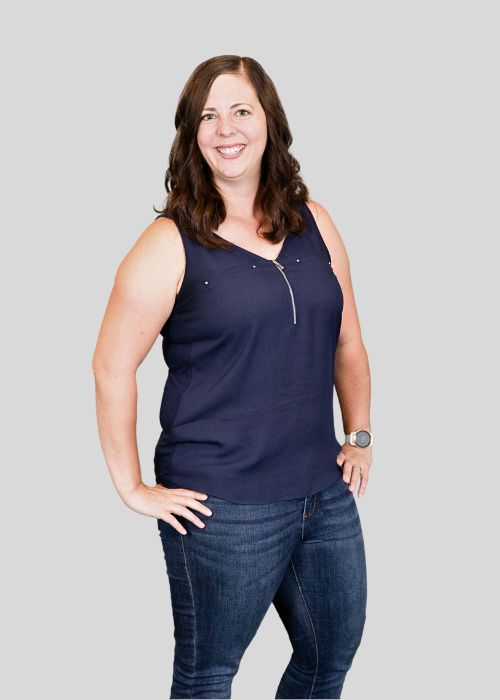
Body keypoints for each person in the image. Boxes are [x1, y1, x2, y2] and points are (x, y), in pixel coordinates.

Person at [92, 55, 372, 699]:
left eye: (241, 110)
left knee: (329, 660)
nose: (226, 128)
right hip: (222, 509)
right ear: (191, 134)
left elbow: (349, 341)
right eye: (208, 115)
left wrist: (358, 435)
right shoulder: (168, 243)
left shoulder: (315, 222)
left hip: (322, 496)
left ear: (269, 119)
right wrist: (131, 486)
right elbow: (111, 365)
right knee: (208, 677)